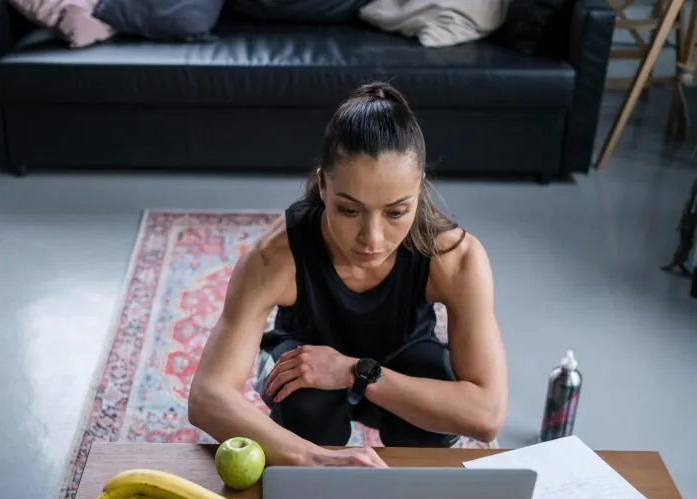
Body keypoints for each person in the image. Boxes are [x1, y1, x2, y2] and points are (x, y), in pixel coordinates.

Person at [188, 81, 507, 468]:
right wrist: (314, 459)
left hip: (401, 364)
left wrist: (355, 372)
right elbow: (207, 396)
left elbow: (487, 416)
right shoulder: (274, 257)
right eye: (349, 210)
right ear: (323, 186)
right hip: (307, 367)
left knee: (433, 386)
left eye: (395, 212)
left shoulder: (456, 257)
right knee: (302, 400)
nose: (372, 239)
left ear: (418, 188)